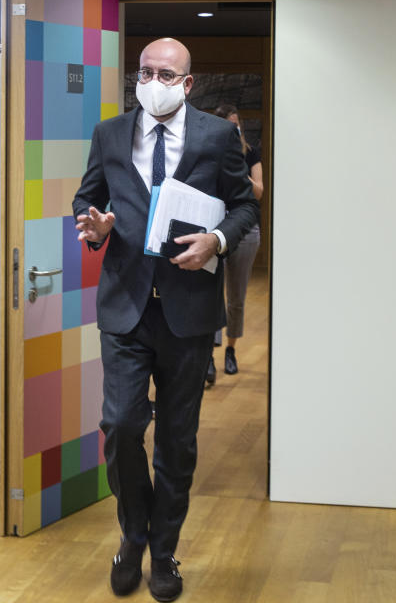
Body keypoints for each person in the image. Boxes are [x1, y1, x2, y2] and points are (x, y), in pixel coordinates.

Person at [73, 38, 259, 601]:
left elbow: (246, 204)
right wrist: (94, 225)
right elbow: (87, 200)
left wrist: (219, 241)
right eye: (145, 71)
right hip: (125, 308)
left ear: (188, 82)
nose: (154, 81)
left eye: (166, 73)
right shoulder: (109, 133)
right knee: (123, 427)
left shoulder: (218, 136)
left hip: (189, 312)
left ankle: (163, 551)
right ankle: (133, 534)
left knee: (177, 441)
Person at [206, 104, 264, 384]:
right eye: (228, 124)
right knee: (211, 293)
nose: (234, 128)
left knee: (236, 297)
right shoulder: (207, 152)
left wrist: (238, 168)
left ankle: (231, 349)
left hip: (246, 231)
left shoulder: (250, 153)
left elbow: (259, 191)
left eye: (236, 123)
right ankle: (208, 356)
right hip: (213, 229)